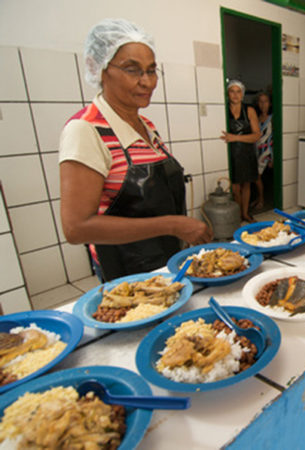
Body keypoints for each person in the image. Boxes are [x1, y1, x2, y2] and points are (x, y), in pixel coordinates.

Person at [59, 18, 212, 282]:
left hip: (166, 262)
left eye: (151, 70)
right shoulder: (86, 130)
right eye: (133, 70)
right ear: (101, 70)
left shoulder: (146, 125)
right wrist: (174, 225)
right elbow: (76, 228)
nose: (147, 82)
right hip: (127, 275)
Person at [220, 80, 262, 223]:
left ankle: (245, 214)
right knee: (235, 187)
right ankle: (237, 214)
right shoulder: (223, 109)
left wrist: (235, 137)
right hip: (230, 153)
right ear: (227, 94)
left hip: (246, 152)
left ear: (243, 94)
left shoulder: (249, 110)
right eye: (232, 91)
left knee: (246, 184)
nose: (235, 95)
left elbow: (257, 135)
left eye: (238, 91)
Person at [254, 91, 273, 210]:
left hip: (267, 152)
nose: (263, 104)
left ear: (270, 103)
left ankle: (261, 199)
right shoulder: (256, 118)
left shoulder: (273, 118)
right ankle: (258, 198)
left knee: (257, 176)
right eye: (260, 102)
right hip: (257, 150)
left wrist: (273, 158)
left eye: (265, 101)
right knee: (256, 177)